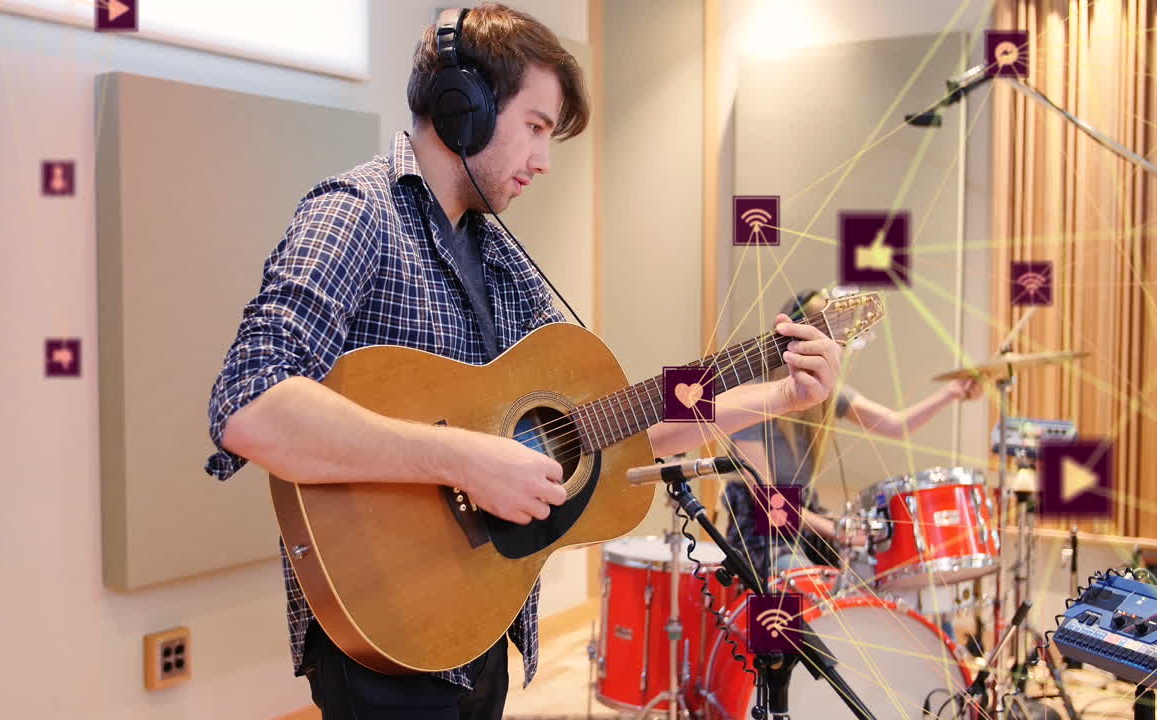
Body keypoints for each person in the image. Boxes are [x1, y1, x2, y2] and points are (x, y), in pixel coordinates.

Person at [203, 6, 842, 718]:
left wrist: (779, 394)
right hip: (385, 636)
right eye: (536, 127)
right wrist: (461, 460)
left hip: (483, 623)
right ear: (464, 108)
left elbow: (620, 427)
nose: (544, 159)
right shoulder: (354, 214)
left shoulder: (503, 261)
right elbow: (248, 405)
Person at [723, 288, 984, 587]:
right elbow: (768, 505)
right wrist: (837, 529)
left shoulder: (825, 394)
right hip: (760, 531)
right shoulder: (753, 398)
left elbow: (896, 426)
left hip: (804, 522)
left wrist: (950, 394)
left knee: (870, 576)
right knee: (807, 584)